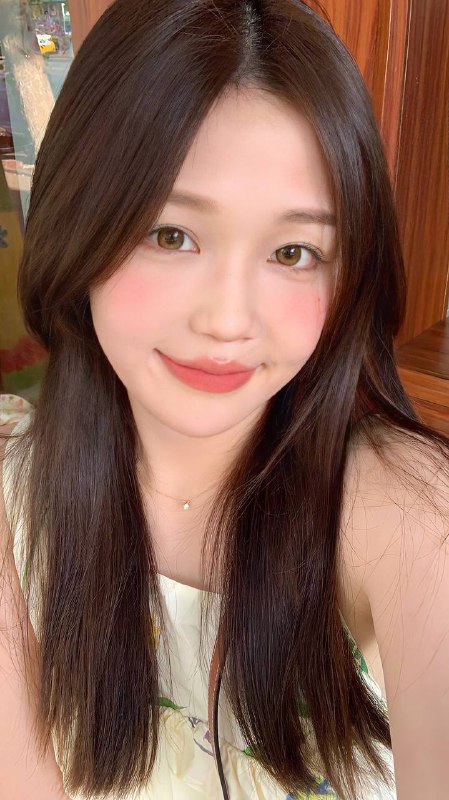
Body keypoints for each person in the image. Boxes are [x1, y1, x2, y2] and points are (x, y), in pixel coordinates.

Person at [1, 1, 448, 798]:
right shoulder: (14, 500)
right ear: (80, 225)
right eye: (170, 235)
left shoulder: (395, 501)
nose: (228, 320)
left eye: (293, 251)